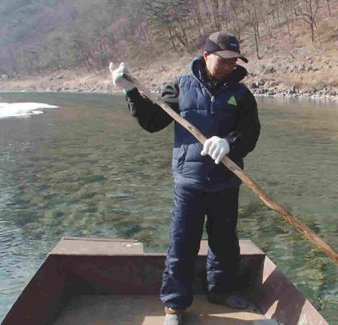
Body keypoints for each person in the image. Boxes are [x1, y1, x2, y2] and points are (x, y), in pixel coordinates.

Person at [109, 31, 261, 325]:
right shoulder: (181, 86)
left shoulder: (242, 95)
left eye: (235, 61)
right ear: (207, 56)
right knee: (182, 244)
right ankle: (175, 307)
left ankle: (222, 292)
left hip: (226, 181)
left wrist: (229, 141)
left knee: (225, 242)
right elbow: (153, 121)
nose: (230, 65)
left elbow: (251, 134)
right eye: (224, 59)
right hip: (188, 182)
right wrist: (130, 92)